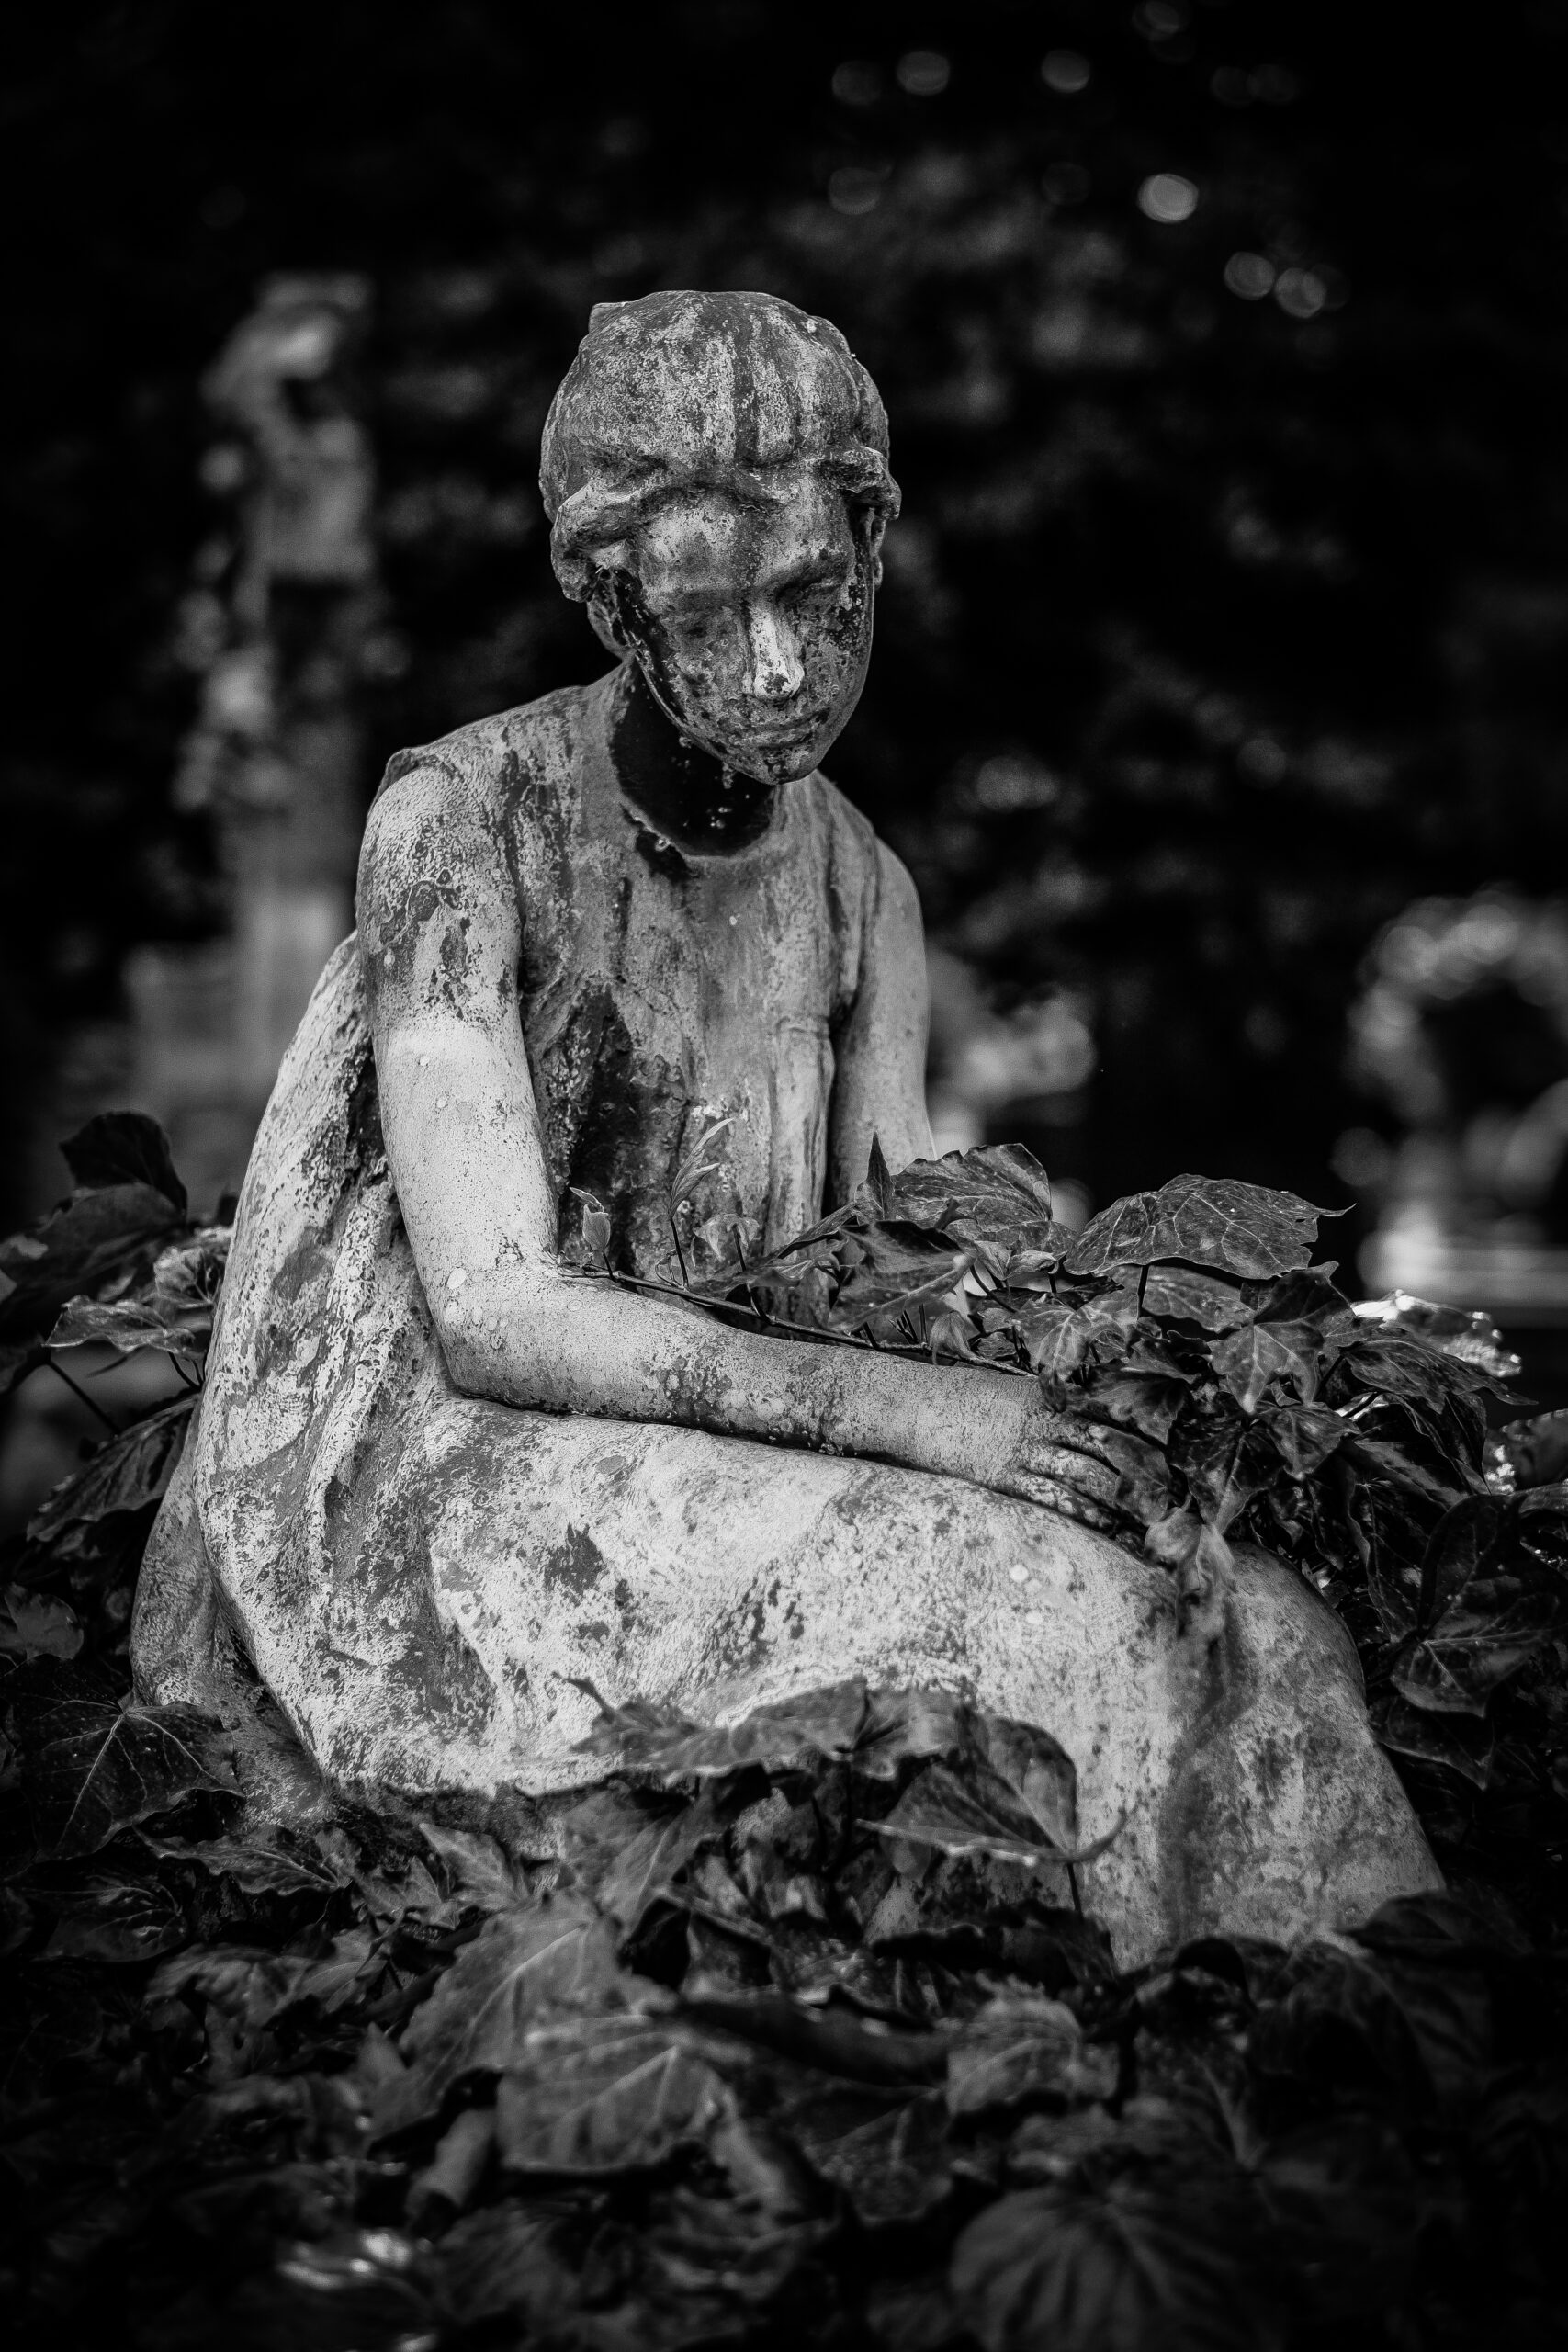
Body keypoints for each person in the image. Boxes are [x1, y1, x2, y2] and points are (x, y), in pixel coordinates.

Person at [135, 291, 1438, 1960]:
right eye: (706, 611)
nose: (775, 667)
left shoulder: (860, 886)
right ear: (614, 606)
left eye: (822, 598)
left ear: (874, 552)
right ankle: (1143, 2040)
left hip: (752, 1430)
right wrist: (924, 1415)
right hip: (466, 1474)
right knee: (1051, 1623)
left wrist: (1081, 1370)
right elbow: (491, 1313)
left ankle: (1352, 2074)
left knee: (1262, 1629)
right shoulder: (462, 823)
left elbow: (903, 1263)